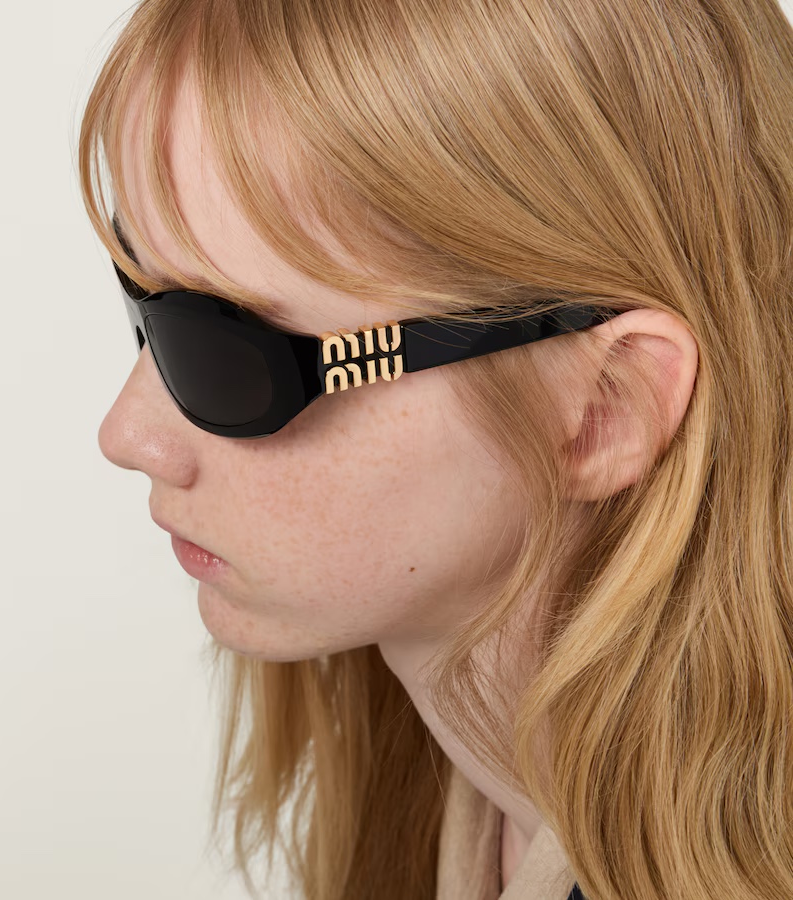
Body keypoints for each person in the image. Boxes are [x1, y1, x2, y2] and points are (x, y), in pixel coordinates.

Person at [76, 0, 793, 897]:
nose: (128, 434)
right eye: (139, 296)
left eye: (223, 357)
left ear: (605, 408)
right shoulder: (450, 806)